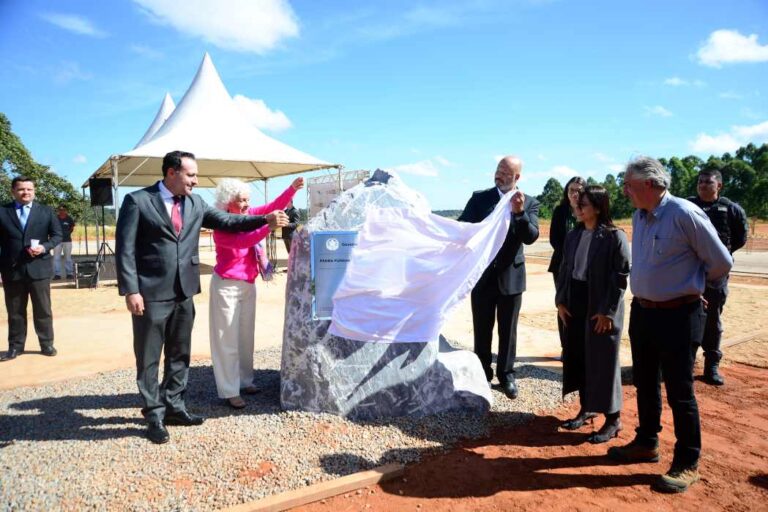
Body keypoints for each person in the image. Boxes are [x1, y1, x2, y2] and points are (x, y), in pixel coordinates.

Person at [115, 150, 288, 444]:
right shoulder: (137, 201)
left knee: (179, 354)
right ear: (172, 173)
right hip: (151, 292)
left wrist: (264, 221)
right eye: (191, 175)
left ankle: (175, 407)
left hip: (184, 290)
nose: (195, 181)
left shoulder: (195, 203)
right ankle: (154, 414)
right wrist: (131, 290)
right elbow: (125, 249)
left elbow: (229, 222)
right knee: (148, 356)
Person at [608, 156, 732, 493]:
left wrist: (695, 288)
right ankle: (647, 443)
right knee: (646, 383)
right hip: (644, 313)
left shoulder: (685, 214)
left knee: (680, 391)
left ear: (650, 184)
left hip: (680, 315)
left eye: (629, 185)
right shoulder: (640, 214)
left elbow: (721, 261)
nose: (625, 191)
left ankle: (687, 462)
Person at [210, 177, 303, 409]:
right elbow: (244, 241)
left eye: (247, 200)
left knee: (244, 337)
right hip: (226, 286)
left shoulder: (249, 214)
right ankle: (229, 389)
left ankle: (245, 380)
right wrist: (268, 227)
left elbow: (273, 207)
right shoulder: (221, 226)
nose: (246, 205)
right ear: (228, 202)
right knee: (227, 339)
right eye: (241, 201)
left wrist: (291, 189)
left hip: (247, 284)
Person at [458, 155, 540, 399]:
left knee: (508, 330)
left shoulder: (529, 203)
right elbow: (463, 228)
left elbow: (531, 236)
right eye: (498, 169)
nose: (500, 174)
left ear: (517, 177)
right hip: (482, 278)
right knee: (482, 328)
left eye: (506, 172)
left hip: (511, 278)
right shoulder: (479, 199)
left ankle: (506, 375)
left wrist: (519, 212)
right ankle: (482, 372)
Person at [555, 186, 630, 443]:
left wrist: (607, 312)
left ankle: (613, 419)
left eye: (584, 204)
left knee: (604, 361)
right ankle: (587, 409)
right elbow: (565, 269)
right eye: (578, 203)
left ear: (598, 207)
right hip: (575, 302)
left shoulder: (613, 236)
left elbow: (620, 278)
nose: (578, 207)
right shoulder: (574, 235)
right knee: (579, 357)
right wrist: (561, 302)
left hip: (600, 306)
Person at [687, 169, 749, 385]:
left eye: (708, 182)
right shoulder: (688, 205)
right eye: (700, 181)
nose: (702, 185)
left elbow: (740, 238)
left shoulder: (731, 209)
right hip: (689, 271)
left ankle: (711, 365)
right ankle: (684, 364)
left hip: (715, 274)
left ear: (719, 186)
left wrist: (719, 256)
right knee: (685, 316)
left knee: (712, 319)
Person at [0, 176, 63, 361]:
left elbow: (57, 235)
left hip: (40, 269)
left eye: (29, 189)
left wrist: (44, 247)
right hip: (12, 270)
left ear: (34, 191)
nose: (25, 192)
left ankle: (47, 344)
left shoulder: (46, 211)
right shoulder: (3, 211)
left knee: (43, 309)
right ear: (13, 191)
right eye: (21, 189)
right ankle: (15, 347)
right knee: (15, 311)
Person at [548, 176, 586, 360]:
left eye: (579, 190)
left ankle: (580, 345)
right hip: (561, 265)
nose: (575, 193)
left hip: (584, 264)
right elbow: (554, 239)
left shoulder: (588, 209)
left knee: (581, 305)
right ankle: (566, 346)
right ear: (566, 191)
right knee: (563, 304)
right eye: (571, 189)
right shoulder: (561, 211)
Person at [53, 204, 75, 280]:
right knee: (56, 258)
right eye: (60, 210)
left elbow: (72, 227)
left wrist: (67, 233)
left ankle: (69, 273)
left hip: (67, 241)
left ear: (66, 211)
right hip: (57, 241)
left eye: (63, 210)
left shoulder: (69, 219)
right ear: (58, 211)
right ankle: (57, 274)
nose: (62, 211)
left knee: (68, 257)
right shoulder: (55, 218)